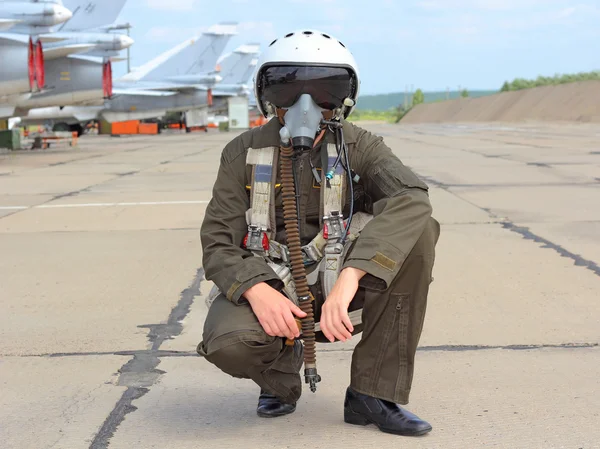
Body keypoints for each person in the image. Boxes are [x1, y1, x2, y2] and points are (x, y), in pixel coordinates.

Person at [197, 30, 440, 437]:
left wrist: (352, 277)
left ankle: (372, 394)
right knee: (230, 343)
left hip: (340, 289)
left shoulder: (359, 146)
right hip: (274, 287)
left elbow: (412, 198)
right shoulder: (242, 154)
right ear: (268, 94)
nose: (305, 106)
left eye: (325, 90)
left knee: (419, 232)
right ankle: (278, 377)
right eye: (289, 89)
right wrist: (257, 291)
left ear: (344, 97)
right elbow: (217, 241)